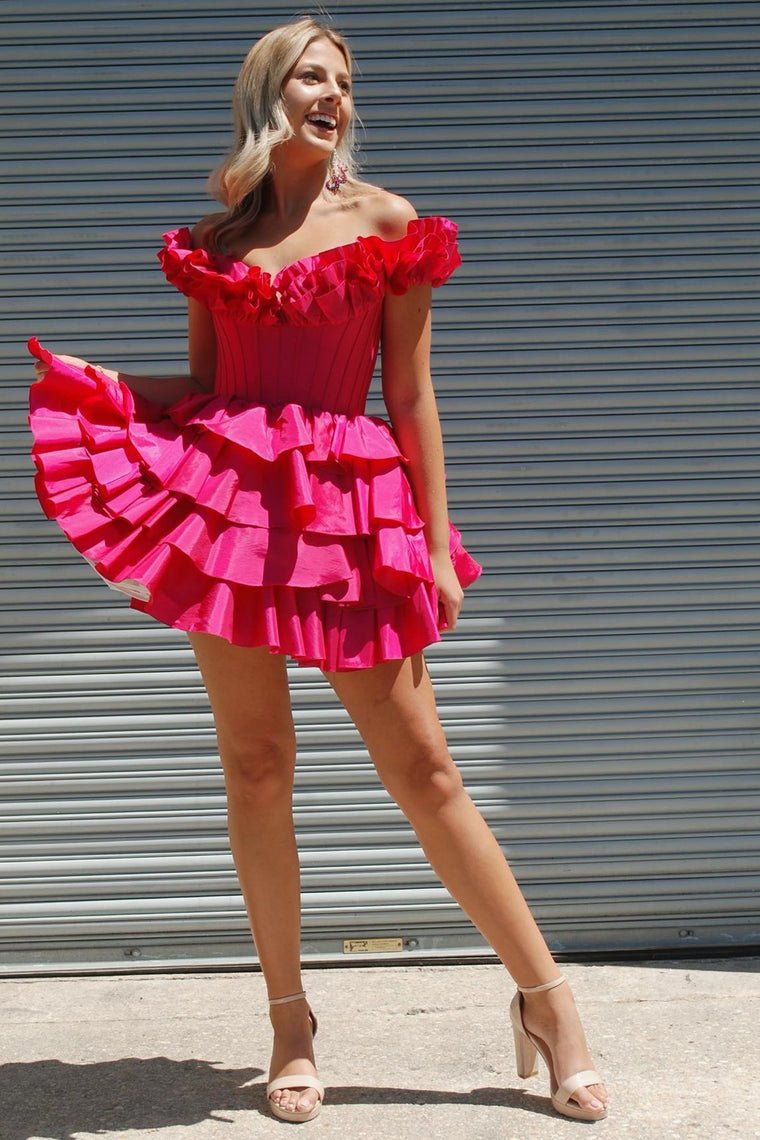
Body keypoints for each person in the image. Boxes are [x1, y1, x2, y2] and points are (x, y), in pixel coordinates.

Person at [27, 16, 609, 1126]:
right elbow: (210, 393)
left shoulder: (387, 225)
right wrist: (106, 385)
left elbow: (411, 395)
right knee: (256, 766)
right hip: (233, 514)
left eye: (344, 79)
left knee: (426, 770)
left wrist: (433, 543)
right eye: (310, 75)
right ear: (268, 93)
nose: (333, 93)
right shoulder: (217, 242)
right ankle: (289, 1024)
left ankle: (548, 1002)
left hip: (349, 511)